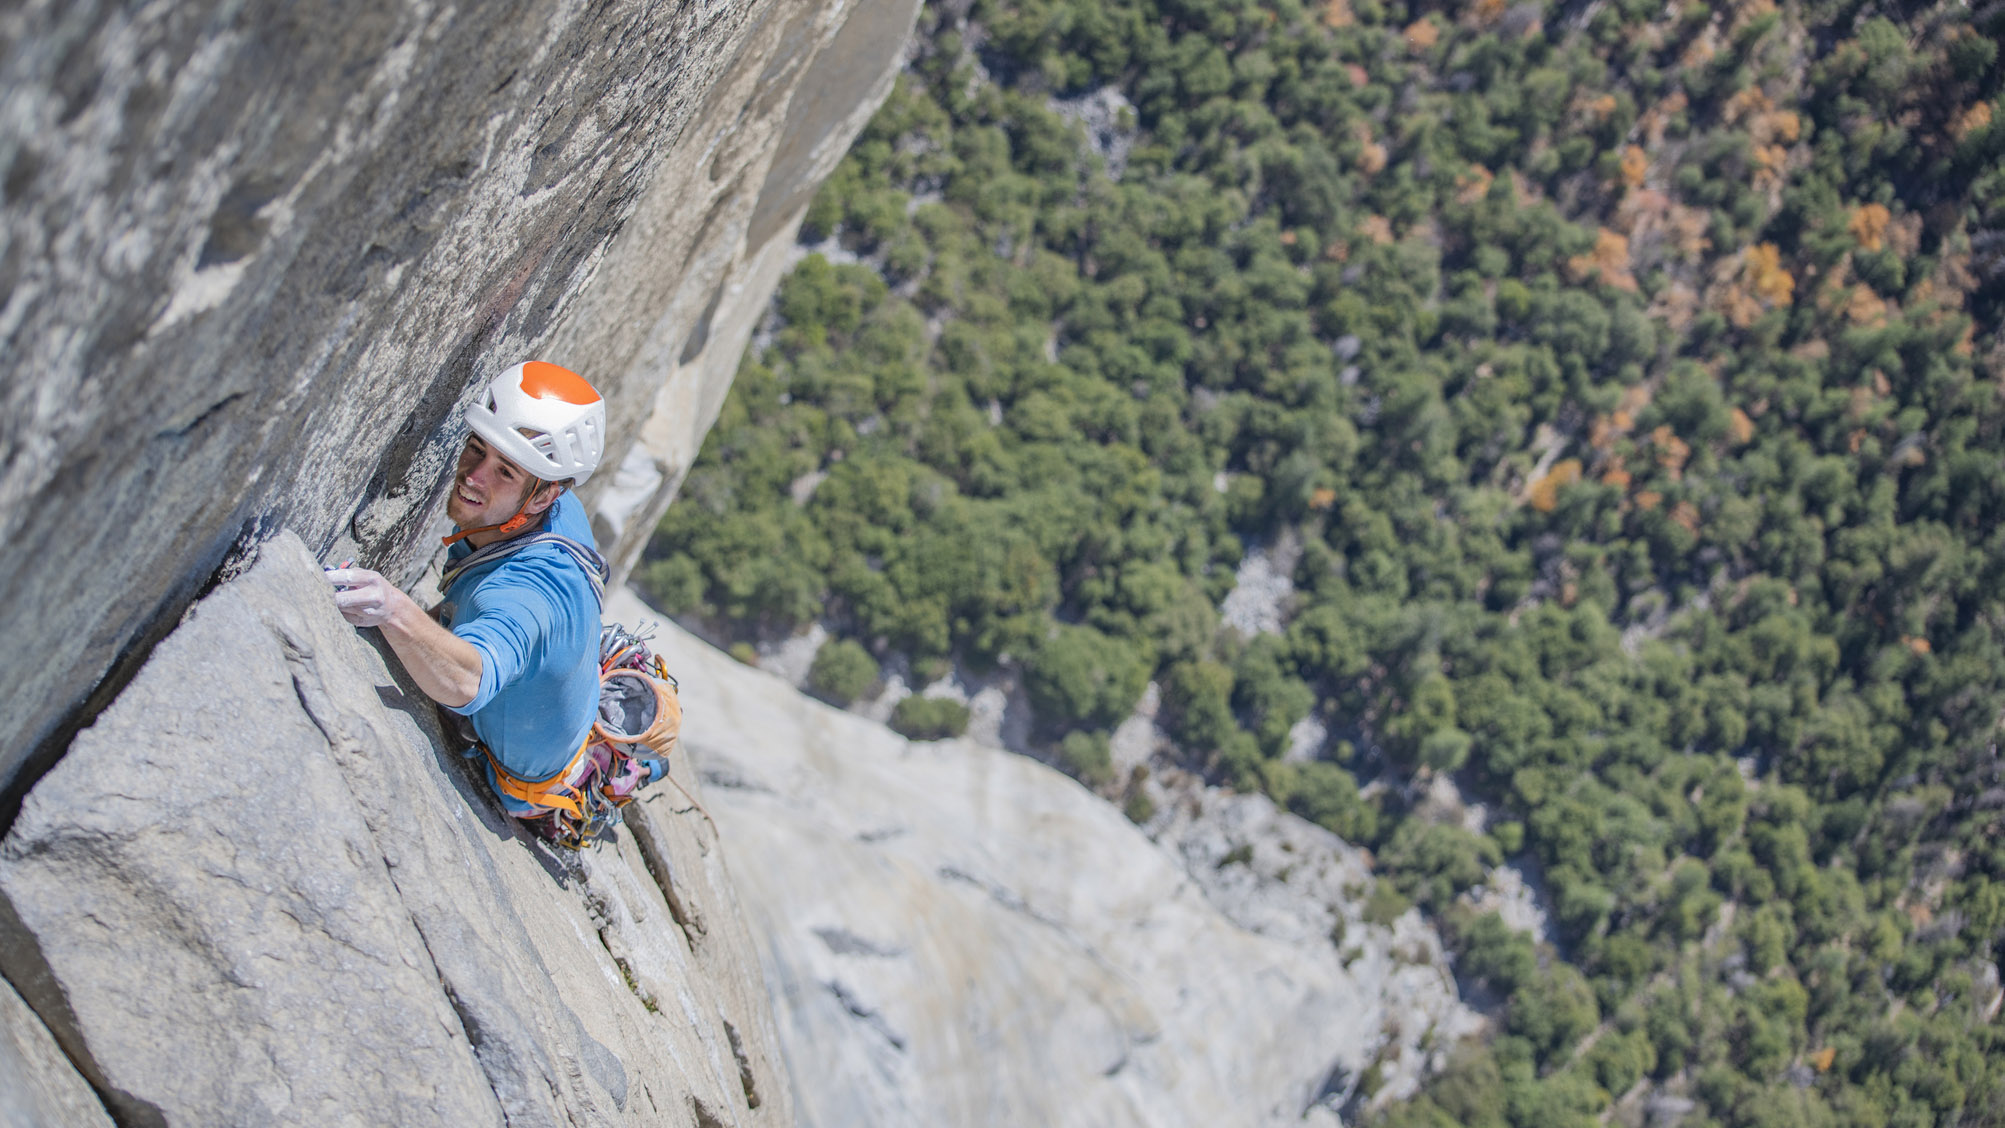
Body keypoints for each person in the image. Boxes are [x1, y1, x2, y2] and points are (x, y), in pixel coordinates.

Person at [327, 360, 615, 829]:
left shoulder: (527, 595)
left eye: (505, 472)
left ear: (544, 497)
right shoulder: (555, 509)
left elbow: (469, 682)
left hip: (522, 787)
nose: (474, 476)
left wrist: (392, 608)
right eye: (476, 449)